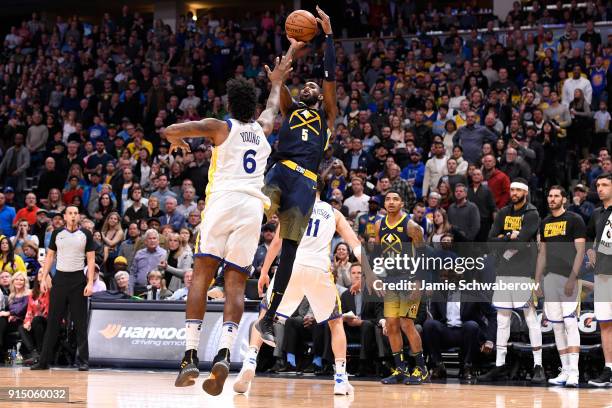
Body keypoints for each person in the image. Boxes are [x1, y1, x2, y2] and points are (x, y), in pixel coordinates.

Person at [165, 45, 293, 396]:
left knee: (202, 274)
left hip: (222, 203)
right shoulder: (264, 129)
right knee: (235, 285)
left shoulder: (220, 126)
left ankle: (190, 355)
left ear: (229, 104)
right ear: (251, 106)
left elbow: (172, 128)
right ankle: (224, 353)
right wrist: (277, 82)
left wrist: (175, 138)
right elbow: (271, 107)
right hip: (253, 208)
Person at [255, 6, 338, 347]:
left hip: (306, 184)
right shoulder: (289, 108)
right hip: (281, 171)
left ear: (319, 96)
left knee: (289, 249)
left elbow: (330, 75)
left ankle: (270, 319)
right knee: (254, 212)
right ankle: (228, 261)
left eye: (313, 86)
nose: (308, 87)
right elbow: (279, 82)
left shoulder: (328, 116)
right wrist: (291, 47)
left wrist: (329, 36)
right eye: (304, 85)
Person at [235, 178, 365, 395]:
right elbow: (355, 244)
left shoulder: (292, 208)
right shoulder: (334, 213)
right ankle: (341, 378)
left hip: (291, 266)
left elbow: (277, 243)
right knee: (335, 323)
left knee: (266, 313)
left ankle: (249, 361)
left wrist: (265, 271)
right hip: (318, 269)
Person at [479, 179, 545, 383]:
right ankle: (499, 365)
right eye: (512, 189)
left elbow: (524, 239)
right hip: (503, 272)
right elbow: (490, 241)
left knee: (531, 319)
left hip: (524, 272)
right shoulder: (503, 212)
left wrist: (506, 238)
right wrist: (509, 235)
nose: (514, 193)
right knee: (502, 320)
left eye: (518, 190)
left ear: (525, 192)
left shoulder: (532, 213)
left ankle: (538, 365)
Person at [31, 206, 96, 371]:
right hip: (60, 279)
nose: (73, 216)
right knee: (53, 321)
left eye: (76, 213)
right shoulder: (57, 233)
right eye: (70, 213)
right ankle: (44, 361)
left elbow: (90, 260)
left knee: (80, 322)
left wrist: (89, 282)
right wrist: (44, 277)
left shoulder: (86, 234)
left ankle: (83, 361)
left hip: (78, 280)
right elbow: (50, 256)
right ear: (65, 217)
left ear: (79, 216)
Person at [375, 190, 429, 385]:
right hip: (391, 281)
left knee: (407, 324)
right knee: (391, 325)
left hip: (410, 280)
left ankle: (421, 369)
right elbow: (380, 254)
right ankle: (400, 369)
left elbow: (423, 255)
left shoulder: (412, 226)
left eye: (395, 199)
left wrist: (419, 282)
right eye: (388, 199)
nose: (391, 202)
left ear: (402, 204)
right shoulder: (378, 224)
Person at [535, 186, 586, 387]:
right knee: (556, 326)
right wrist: (538, 280)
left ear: (564, 199)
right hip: (550, 279)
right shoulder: (545, 222)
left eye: (556, 196)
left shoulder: (575, 219)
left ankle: (574, 372)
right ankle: (564, 370)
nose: (552, 199)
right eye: (550, 196)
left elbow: (580, 252)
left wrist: (573, 278)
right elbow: (542, 254)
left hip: (568, 279)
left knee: (570, 323)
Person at [587, 172, 612, 387]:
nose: (600, 188)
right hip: (603, 276)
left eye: (605, 184)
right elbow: (587, 238)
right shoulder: (596, 213)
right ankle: (608, 369)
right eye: (598, 185)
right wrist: (590, 252)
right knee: (605, 323)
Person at [20, 274, 51, 365]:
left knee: (37, 319)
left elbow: (48, 310)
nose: (42, 273)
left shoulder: (50, 291)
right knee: (22, 327)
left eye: (44, 272)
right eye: (40, 272)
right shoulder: (33, 294)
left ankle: (41, 353)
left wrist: (47, 279)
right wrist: (27, 322)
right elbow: (29, 311)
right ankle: (35, 354)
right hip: (36, 322)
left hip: (48, 320)